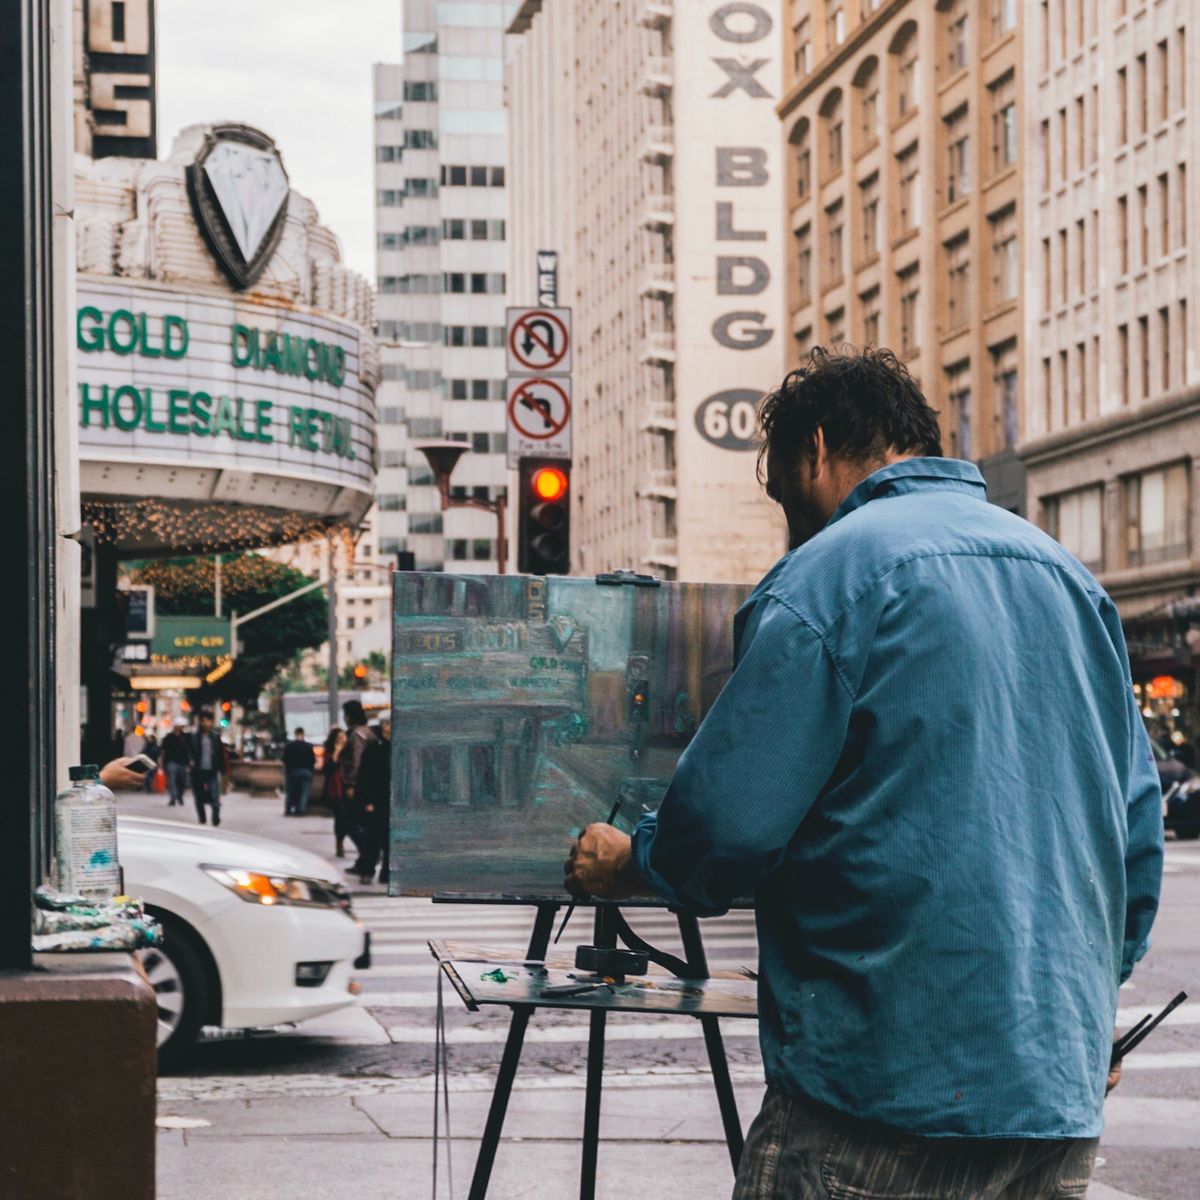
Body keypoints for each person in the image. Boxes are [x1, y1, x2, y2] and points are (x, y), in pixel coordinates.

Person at [565, 347, 1164, 1200]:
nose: (792, 526)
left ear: (815, 450)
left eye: (785, 499)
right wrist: (1082, 1004)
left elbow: (727, 830)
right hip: (1052, 1093)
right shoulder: (1070, 580)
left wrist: (633, 861)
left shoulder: (829, 578)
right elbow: (1136, 843)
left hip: (880, 1091)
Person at [352, 717, 391, 885]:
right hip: (376, 799)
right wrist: (366, 800)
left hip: (392, 800)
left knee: (390, 839)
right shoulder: (374, 747)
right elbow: (365, 776)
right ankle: (367, 870)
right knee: (373, 838)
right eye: (389, 724)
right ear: (383, 727)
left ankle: (387, 872)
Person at [340, 699, 375, 873]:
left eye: (345, 714)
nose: (344, 718)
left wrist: (352, 783)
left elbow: (357, 760)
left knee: (351, 823)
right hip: (367, 783)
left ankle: (368, 856)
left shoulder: (357, 735)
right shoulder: (367, 732)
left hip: (359, 785)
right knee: (359, 823)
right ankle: (364, 860)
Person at [188, 709, 226, 826]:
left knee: (215, 796)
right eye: (203, 721)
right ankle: (202, 818)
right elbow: (189, 752)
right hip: (198, 771)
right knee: (199, 796)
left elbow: (220, 754)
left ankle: (215, 818)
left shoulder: (215, 737)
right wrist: (190, 761)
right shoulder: (194, 737)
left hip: (212, 770)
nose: (205, 723)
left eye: (207, 721)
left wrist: (223, 771)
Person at [322, 727, 350, 857]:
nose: (342, 740)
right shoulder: (330, 753)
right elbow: (327, 770)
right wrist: (336, 753)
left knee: (345, 819)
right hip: (334, 790)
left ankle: (341, 841)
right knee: (340, 818)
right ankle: (339, 843)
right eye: (339, 738)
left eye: (344, 737)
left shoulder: (349, 752)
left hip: (347, 789)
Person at [282, 727, 317, 816]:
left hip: (292, 771)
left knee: (290, 792)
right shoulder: (308, 746)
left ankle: (288, 810)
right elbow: (313, 760)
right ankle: (300, 810)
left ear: (295, 734)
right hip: (305, 771)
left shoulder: (289, 746)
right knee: (304, 792)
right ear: (303, 734)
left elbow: (285, 759)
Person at [161, 718, 190, 806]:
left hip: (183, 762)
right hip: (171, 761)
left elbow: (189, 750)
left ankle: (180, 796)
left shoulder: (186, 737)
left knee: (182, 781)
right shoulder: (168, 737)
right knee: (172, 780)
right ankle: (173, 798)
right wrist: (162, 762)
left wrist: (190, 761)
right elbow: (163, 750)